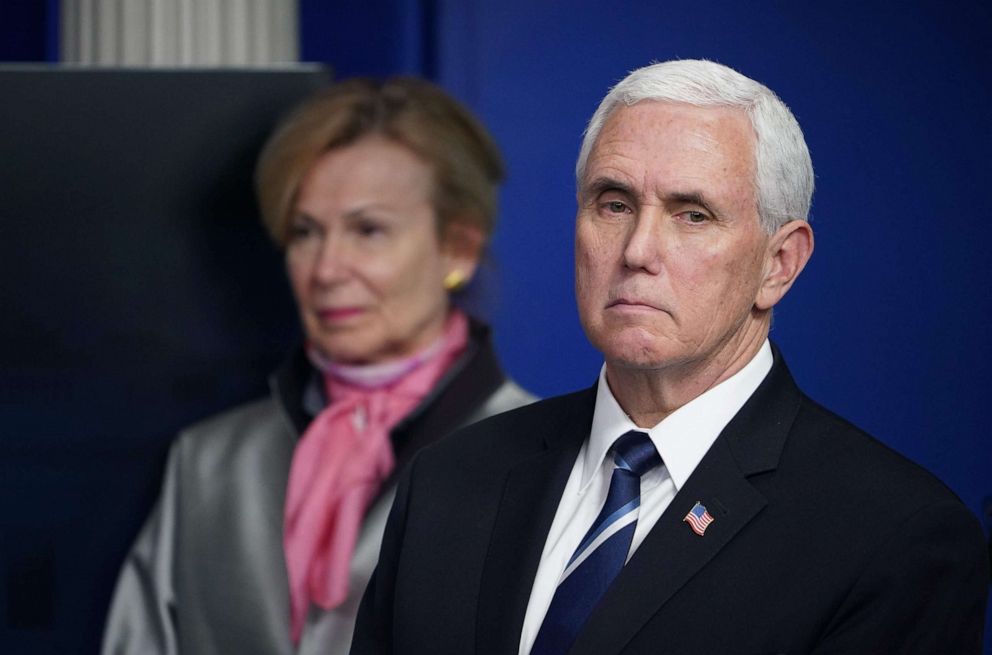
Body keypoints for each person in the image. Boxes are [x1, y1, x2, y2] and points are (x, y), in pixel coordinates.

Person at [351, 60, 990, 654]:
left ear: (779, 264)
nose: (637, 250)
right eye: (615, 204)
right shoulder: (449, 482)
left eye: (692, 215)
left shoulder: (895, 538)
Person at [101, 77, 534, 655]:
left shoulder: (543, 464)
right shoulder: (207, 463)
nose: (326, 269)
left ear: (457, 249)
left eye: (368, 230)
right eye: (305, 232)